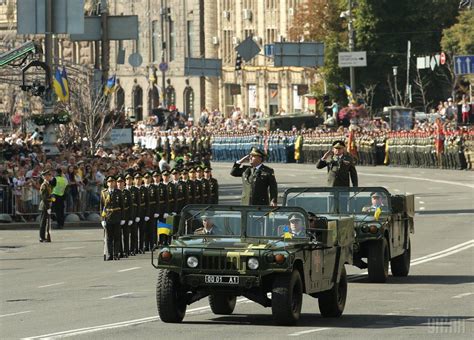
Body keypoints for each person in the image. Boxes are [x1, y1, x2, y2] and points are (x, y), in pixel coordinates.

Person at [100, 176, 124, 261]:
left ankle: (116, 254)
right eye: (109, 182)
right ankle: (110, 254)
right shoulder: (104, 193)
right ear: (107, 183)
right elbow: (102, 207)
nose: (111, 183)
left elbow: (122, 206)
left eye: (112, 181)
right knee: (109, 238)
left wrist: (123, 218)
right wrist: (102, 219)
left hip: (117, 216)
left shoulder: (119, 192)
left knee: (117, 237)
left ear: (114, 183)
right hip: (108, 217)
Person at [38, 170, 53, 243]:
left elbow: (49, 195)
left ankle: (45, 237)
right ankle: (41, 237)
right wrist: (47, 207)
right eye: (49, 175)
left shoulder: (48, 184)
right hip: (45, 205)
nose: (50, 176)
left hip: (47, 205)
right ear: (46, 176)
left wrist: (52, 199)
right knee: (43, 222)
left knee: (46, 222)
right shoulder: (44, 185)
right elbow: (44, 197)